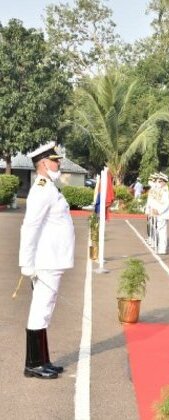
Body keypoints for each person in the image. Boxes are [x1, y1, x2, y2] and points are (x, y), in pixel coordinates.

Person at [19, 142, 75, 379]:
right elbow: (30, 227)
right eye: (55, 160)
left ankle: (43, 359)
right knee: (40, 309)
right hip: (45, 261)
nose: (59, 163)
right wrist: (27, 263)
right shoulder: (42, 189)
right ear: (43, 164)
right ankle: (33, 363)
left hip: (54, 259)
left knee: (46, 309)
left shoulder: (50, 187)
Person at [150, 173, 169, 255]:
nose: (159, 182)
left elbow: (166, 204)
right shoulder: (160, 189)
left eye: (160, 181)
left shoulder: (165, 190)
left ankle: (162, 249)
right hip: (157, 213)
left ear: (164, 182)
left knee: (162, 231)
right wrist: (153, 209)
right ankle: (160, 247)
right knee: (159, 230)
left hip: (162, 214)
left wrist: (159, 211)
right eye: (158, 181)